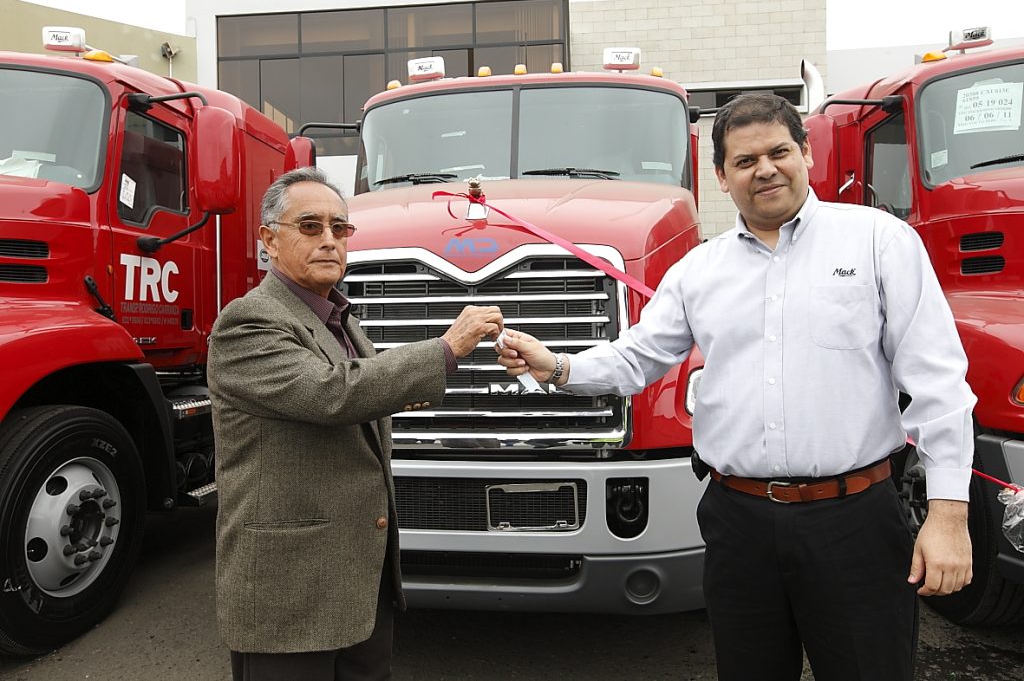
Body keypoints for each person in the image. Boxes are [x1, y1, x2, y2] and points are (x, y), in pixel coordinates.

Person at [496, 93, 976, 681]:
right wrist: (559, 367)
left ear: (806, 153)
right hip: (738, 524)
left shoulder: (879, 242)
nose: (765, 169)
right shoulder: (698, 271)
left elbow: (937, 380)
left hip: (855, 522)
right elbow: (639, 357)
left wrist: (949, 515)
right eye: (745, 161)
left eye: (779, 152)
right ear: (722, 177)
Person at [208, 166, 502, 681]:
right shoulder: (248, 321)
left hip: (357, 583)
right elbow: (333, 393)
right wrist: (445, 350)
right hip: (289, 592)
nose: (329, 240)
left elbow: (361, 390)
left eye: (339, 228)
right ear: (268, 241)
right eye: (310, 226)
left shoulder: (337, 318)